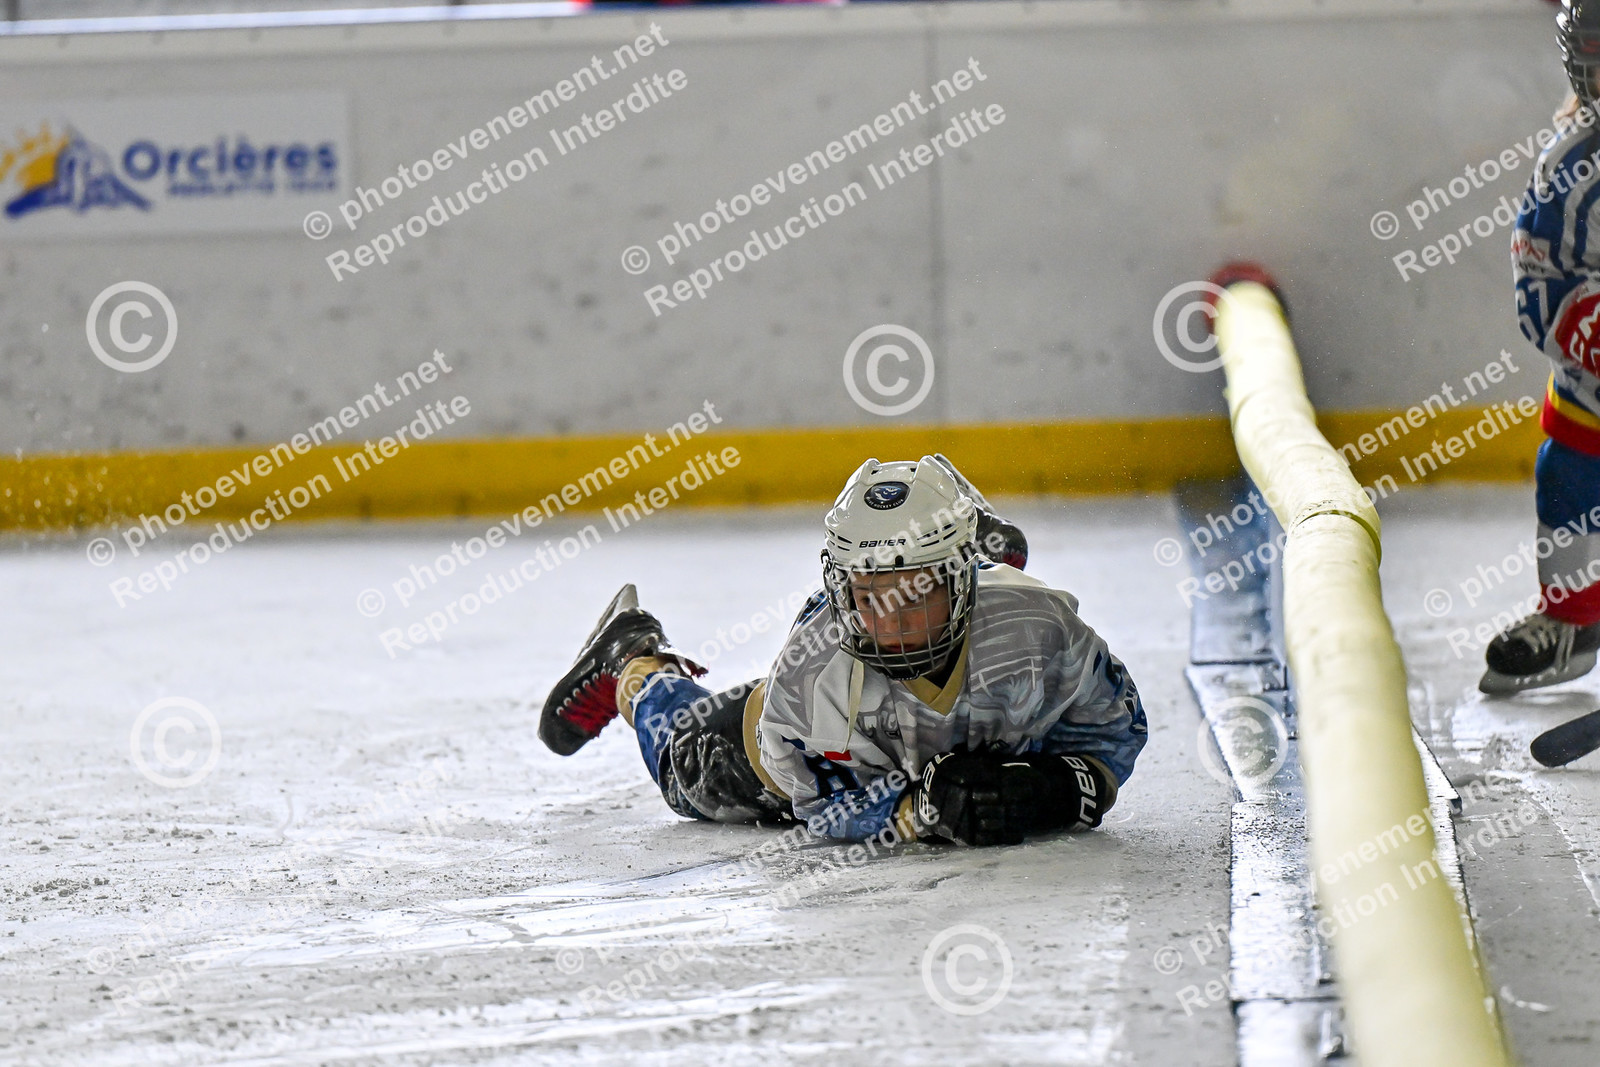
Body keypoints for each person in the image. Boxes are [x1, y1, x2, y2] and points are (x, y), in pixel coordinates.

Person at [537, 454, 1147, 847]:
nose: (891, 622)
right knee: (681, 767)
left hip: (897, 697)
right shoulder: (809, 677)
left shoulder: (1042, 626)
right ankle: (634, 660)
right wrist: (917, 810)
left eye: (916, 592)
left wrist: (1056, 789)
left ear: (964, 577)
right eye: (869, 596)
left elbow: (1115, 735)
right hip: (783, 748)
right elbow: (821, 808)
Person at [1496, 0, 1600, 693]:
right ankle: (1572, 622)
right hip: (1593, 390)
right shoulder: (1569, 168)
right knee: (1569, 480)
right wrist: (1588, 329)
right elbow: (1540, 277)